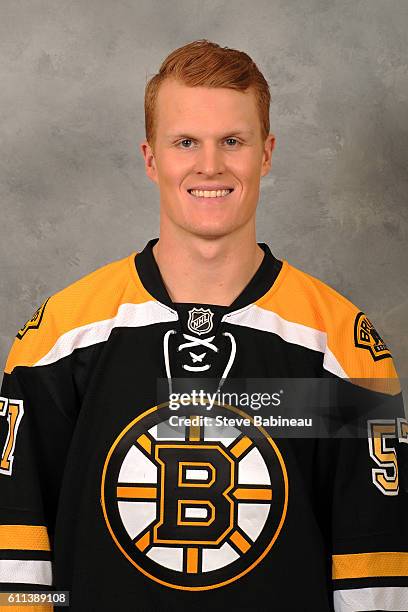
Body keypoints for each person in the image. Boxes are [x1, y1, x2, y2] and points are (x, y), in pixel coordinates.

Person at [0, 39, 407, 612]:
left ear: (266, 154)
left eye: (232, 142)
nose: (210, 165)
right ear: (150, 157)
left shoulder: (340, 343)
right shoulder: (58, 338)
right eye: (185, 141)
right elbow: (17, 555)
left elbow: (376, 568)